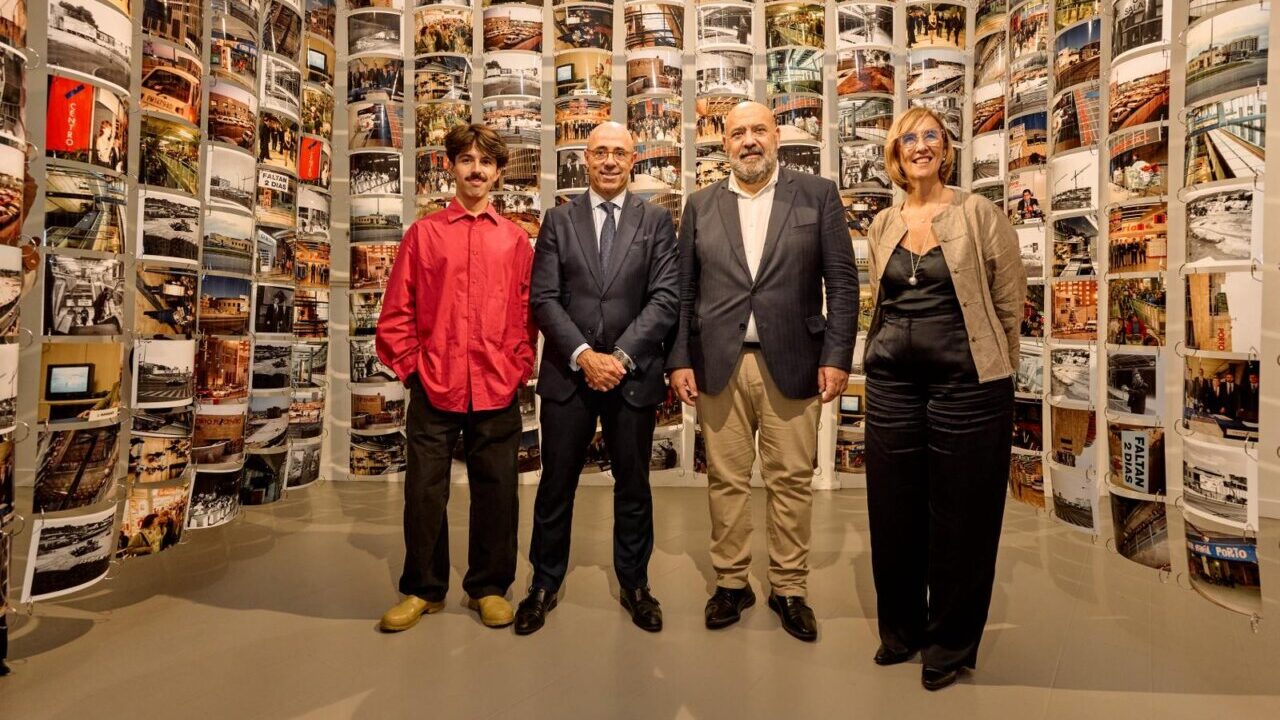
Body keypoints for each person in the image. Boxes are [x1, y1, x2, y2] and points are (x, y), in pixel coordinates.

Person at [667, 101, 858, 642]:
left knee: (791, 481)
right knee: (725, 481)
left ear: (777, 137)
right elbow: (683, 292)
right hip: (718, 366)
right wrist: (678, 357)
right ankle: (731, 583)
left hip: (794, 361)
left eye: (758, 131)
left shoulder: (816, 195)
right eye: (737, 133)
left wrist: (837, 356)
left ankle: (789, 588)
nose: (748, 141)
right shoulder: (701, 205)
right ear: (723, 144)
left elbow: (842, 284)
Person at [862, 107, 1026, 690]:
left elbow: (1009, 303)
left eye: (931, 135)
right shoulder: (883, 223)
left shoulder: (979, 213)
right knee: (893, 513)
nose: (920, 145)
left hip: (969, 388)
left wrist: (996, 370)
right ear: (896, 153)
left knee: (963, 517)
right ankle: (900, 631)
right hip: (891, 387)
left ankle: (950, 643)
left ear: (947, 149)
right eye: (909, 137)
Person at [516, 122, 679, 635]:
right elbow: (543, 298)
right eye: (600, 152)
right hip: (570, 375)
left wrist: (622, 355)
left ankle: (635, 583)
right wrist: (585, 354)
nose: (609, 161)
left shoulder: (655, 221)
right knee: (556, 484)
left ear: (635, 160)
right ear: (584, 160)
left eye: (619, 153)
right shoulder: (558, 221)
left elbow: (666, 297)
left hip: (632, 376)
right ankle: (544, 582)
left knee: (634, 485)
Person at [375, 124, 537, 632]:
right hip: (436, 384)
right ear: (451, 166)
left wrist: (516, 366)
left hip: (495, 384)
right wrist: (412, 369)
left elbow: (528, 312)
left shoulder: (514, 240)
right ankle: (423, 589)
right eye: (466, 159)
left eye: (485, 162)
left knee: (498, 491)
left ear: (498, 173)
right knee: (424, 492)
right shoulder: (424, 235)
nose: (475, 169)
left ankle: (490, 587)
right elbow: (398, 308)